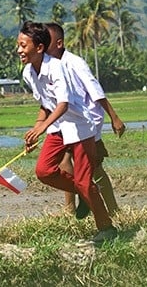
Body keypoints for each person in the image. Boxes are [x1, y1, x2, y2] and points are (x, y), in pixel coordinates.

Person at [18, 21, 118, 245]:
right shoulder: (28, 73)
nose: (19, 50)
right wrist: (37, 126)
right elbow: (46, 104)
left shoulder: (58, 67)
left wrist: (42, 128)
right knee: (44, 171)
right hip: (57, 127)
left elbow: (63, 104)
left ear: (40, 48)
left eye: (23, 46)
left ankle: (106, 227)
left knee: (84, 180)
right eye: (19, 45)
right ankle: (86, 193)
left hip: (78, 126)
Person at [45, 22, 125, 217]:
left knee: (95, 168)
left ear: (59, 43)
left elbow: (95, 91)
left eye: (45, 41)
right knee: (64, 162)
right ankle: (72, 206)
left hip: (88, 120)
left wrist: (114, 117)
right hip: (68, 122)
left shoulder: (74, 62)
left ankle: (113, 209)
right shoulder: (50, 66)